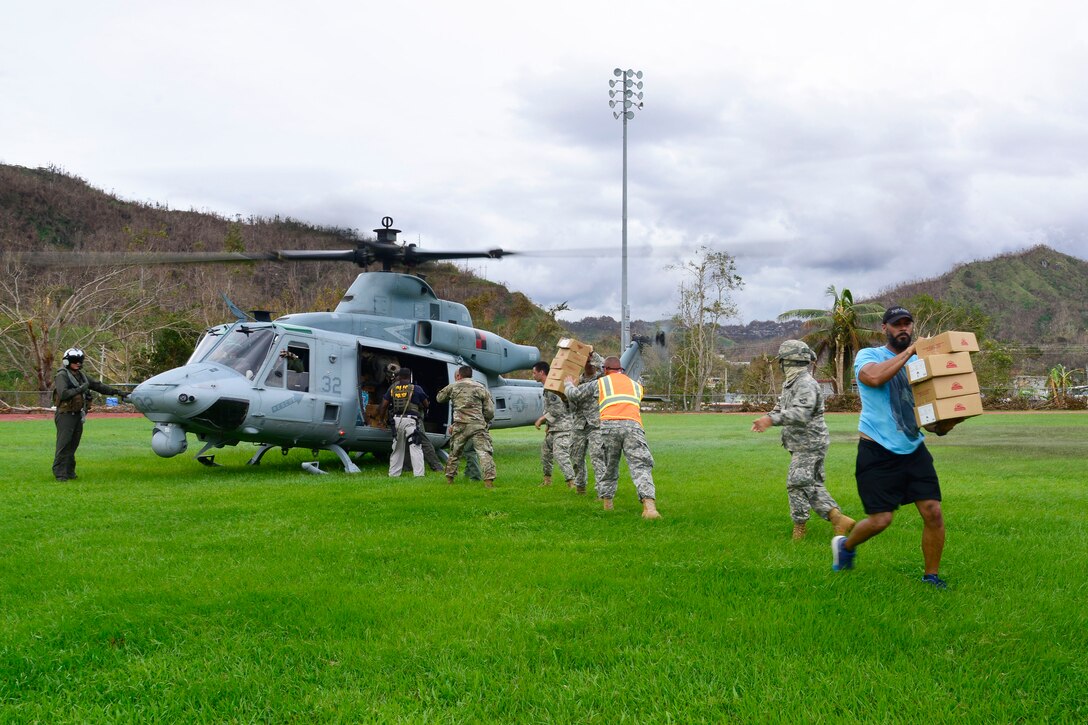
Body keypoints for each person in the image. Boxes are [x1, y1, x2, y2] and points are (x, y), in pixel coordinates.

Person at [831, 306, 958, 588]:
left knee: (933, 512)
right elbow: (874, 378)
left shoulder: (920, 366)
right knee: (880, 520)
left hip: (913, 449)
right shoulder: (869, 356)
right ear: (884, 329)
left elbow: (928, 419)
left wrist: (947, 422)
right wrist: (911, 352)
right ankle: (846, 546)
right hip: (876, 450)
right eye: (897, 324)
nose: (903, 328)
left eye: (907, 324)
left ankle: (931, 577)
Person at [752, 340, 855, 540]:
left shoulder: (806, 384)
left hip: (810, 444)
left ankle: (800, 528)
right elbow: (782, 406)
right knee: (810, 483)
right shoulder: (791, 384)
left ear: (789, 361)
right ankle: (838, 519)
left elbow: (801, 414)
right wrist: (768, 416)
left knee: (795, 483)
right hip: (800, 443)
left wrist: (771, 420)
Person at [565, 355, 660, 519]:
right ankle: (649, 508)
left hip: (609, 427)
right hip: (633, 426)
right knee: (640, 466)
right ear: (621, 370)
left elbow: (575, 395)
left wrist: (568, 385)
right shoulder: (637, 385)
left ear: (605, 370)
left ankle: (608, 505)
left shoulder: (600, 383)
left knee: (609, 467)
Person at [51, 347, 128, 482]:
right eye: (75, 361)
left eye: (80, 361)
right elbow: (63, 393)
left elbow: (98, 386)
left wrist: (117, 392)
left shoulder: (81, 376)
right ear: (67, 361)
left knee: (73, 444)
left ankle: (69, 472)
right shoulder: (62, 375)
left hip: (77, 415)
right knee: (64, 444)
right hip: (65, 414)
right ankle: (60, 474)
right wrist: (80, 389)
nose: (78, 363)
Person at [437, 365, 496, 488]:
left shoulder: (453, 386)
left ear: (459, 375)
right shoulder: (481, 387)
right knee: (484, 453)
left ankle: (449, 480)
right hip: (477, 426)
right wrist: (484, 420)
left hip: (459, 426)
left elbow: (439, 398)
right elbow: (490, 411)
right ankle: (489, 482)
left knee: (454, 453)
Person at [532, 361, 577, 489]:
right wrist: (549, 424)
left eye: (534, 373)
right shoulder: (548, 387)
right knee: (545, 453)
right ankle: (547, 481)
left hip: (562, 427)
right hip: (554, 427)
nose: (533, 375)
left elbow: (558, 409)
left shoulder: (552, 388)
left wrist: (542, 419)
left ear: (542, 372)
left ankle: (571, 482)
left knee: (560, 454)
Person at [566, 352, 606, 495]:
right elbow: (571, 403)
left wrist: (593, 355)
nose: (589, 365)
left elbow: (604, 365)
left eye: (591, 363)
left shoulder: (602, 378)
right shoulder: (576, 381)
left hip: (596, 424)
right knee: (575, 456)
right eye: (586, 363)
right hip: (579, 423)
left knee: (598, 457)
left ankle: (602, 493)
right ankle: (580, 486)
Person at [378, 367, 429, 477]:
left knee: (397, 448)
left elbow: (383, 406)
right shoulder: (416, 388)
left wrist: (381, 420)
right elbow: (426, 404)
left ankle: (393, 474)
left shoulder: (393, 389)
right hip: (411, 421)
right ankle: (419, 475)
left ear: (399, 377)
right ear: (410, 376)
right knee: (415, 446)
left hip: (397, 421)